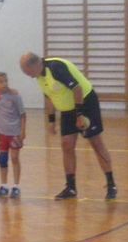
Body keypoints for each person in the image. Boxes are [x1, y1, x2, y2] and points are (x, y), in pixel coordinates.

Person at [19, 52, 116, 200]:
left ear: (35, 65)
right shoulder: (39, 76)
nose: (28, 76)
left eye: (27, 72)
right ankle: (71, 187)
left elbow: (77, 89)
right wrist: (51, 120)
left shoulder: (56, 68)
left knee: (96, 143)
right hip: (67, 110)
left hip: (85, 104)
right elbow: (49, 96)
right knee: (67, 145)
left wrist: (80, 115)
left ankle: (111, 184)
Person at [0, 72, 26, 199]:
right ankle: (4, 186)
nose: (4, 84)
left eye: (6, 81)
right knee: (2, 159)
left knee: (15, 158)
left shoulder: (14, 95)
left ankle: (16, 186)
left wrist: (23, 131)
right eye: (1, 81)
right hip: (2, 133)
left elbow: (22, 114)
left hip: (14, 132)